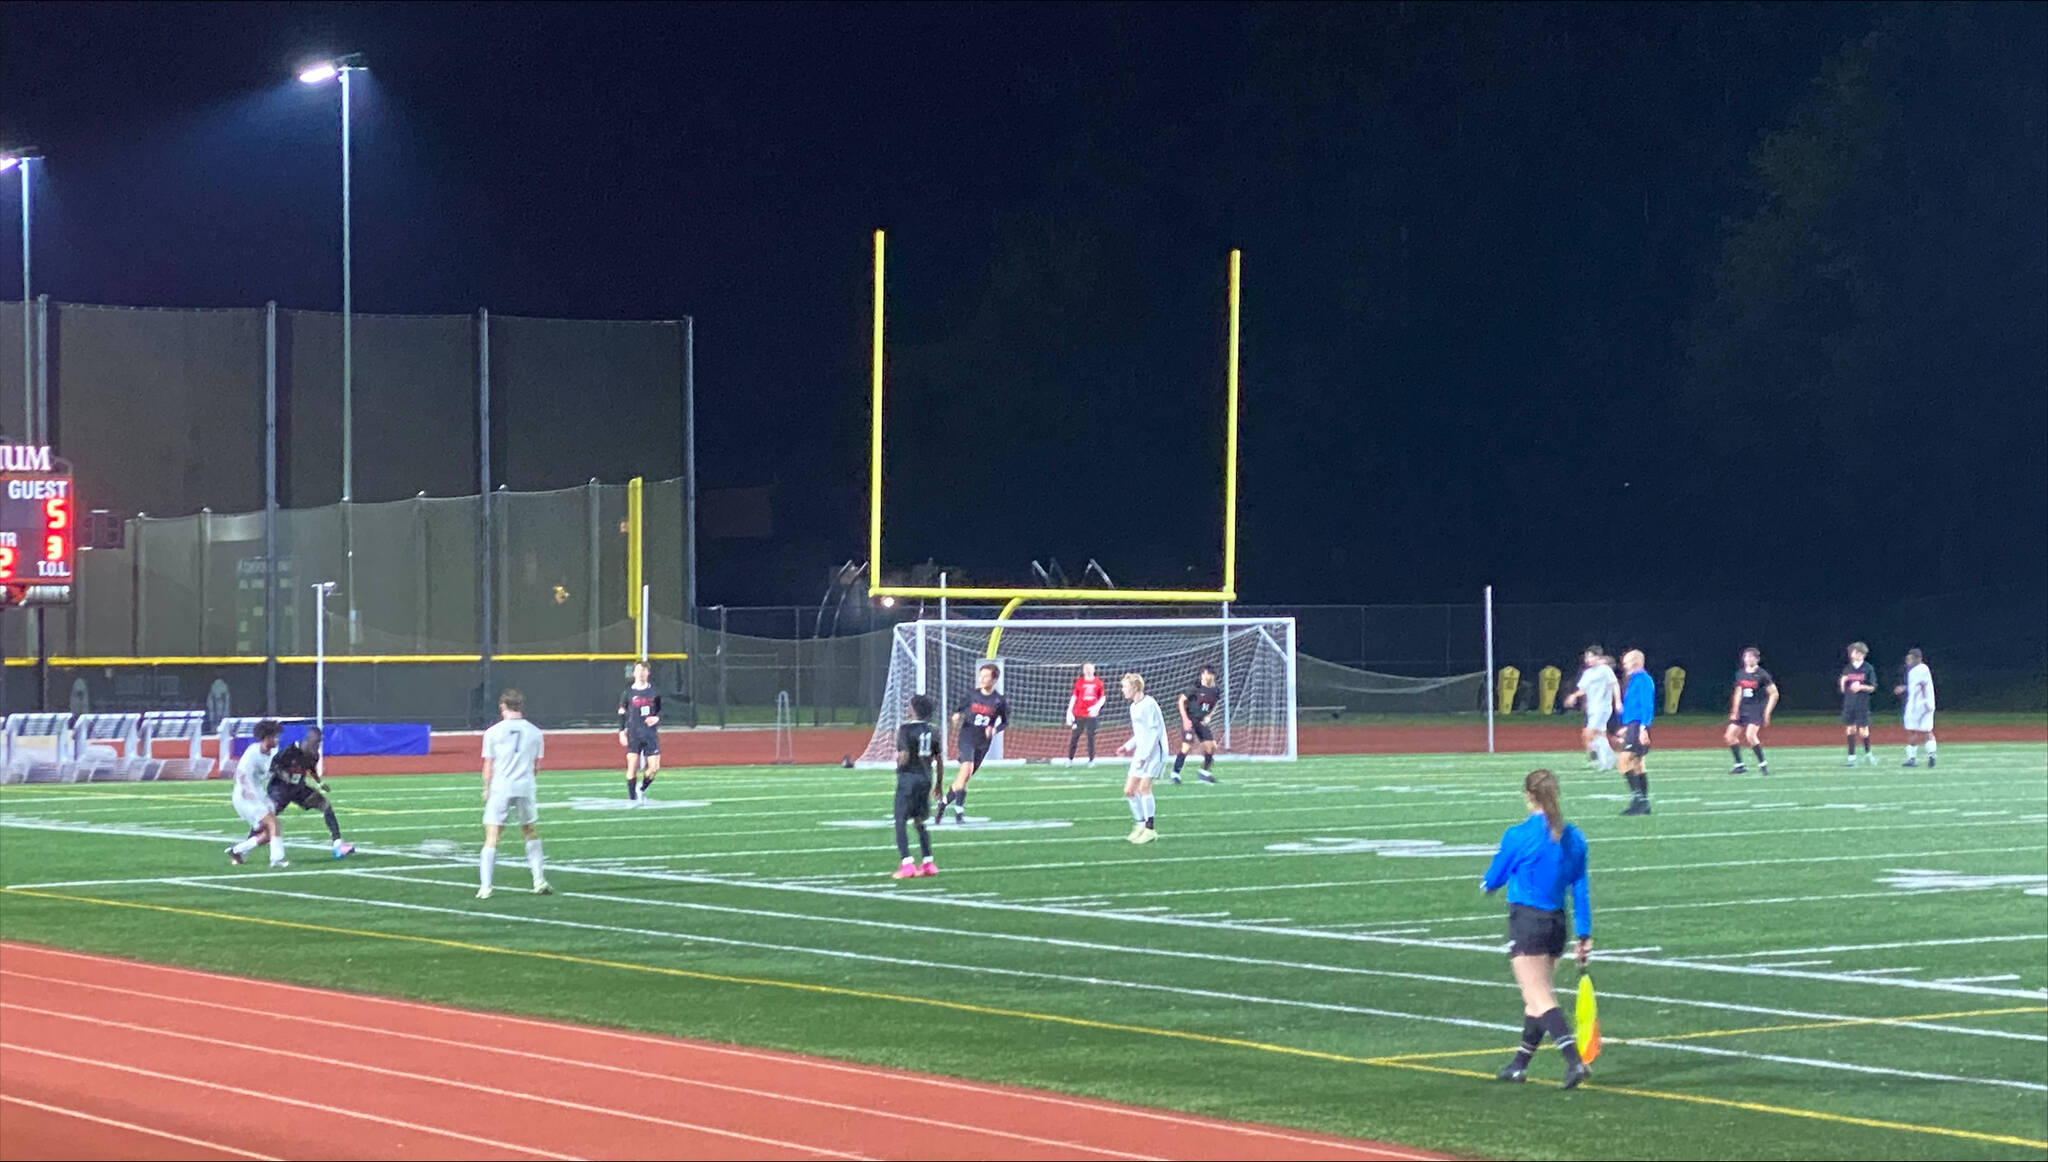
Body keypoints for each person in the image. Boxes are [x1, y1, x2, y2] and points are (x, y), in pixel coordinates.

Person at [1482, 769, 1593, 1089]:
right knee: (1535, 999)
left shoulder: (1519, 835)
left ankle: (1574, 1060)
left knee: (1540, 997)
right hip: (1558, 923)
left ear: (1529, 796)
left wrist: (1487, 883)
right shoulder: (1574, 837)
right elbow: (1581, 889)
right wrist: (1584, 935)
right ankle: (1519, 1063)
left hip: (1527, 922)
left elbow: (1493, 879)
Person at [478, 689, 550, 900]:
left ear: (503, 707)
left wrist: (486, 787)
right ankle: (539, 880)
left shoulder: (492, 732)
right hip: (525, 785)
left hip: (501, 786)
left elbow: (488, 764)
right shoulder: (535, 732)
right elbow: (537, 765)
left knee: (492, 836)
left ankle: (486, 886)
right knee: (529, 830)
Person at [267, 726, 355, 859]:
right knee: (266, 819)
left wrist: (319, 783)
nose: (317, 746)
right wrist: (283, 773)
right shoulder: (290, 751)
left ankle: (338, 845)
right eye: (315, 743)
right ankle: (242, 849)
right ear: (307, 740)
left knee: (325, 805)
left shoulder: (313, 756)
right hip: (281, 790)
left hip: (298, 789)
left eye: (319, 743)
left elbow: (310, 769)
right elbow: (274, 765)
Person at [937, 663, 1007, 825]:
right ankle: (959, 812)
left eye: (986, 676)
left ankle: (943, 803)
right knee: (966, 768)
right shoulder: (971, 695)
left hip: (983, 743)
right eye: (980, 675)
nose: (982, 679)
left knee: (963, 778)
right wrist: (956, 716)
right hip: (967, 737)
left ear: (994, 679)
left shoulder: (999, 700)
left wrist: (994, 730)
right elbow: (958, 710)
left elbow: (1004, 722)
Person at [891, 694, 942, 879]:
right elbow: (939, 759)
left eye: (910, 706)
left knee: (900, 820)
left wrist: (898, 769)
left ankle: (907, 864)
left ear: (915, 710)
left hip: (909, 779)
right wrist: (938, 784)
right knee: (920, 821)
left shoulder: (905, 729)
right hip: (926, 778)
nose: (907, 708)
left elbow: (903, 754)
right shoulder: (933, 730)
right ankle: (928, 862)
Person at [225, 720, 288, 868]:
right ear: (266, 737)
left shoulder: (273, 752)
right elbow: (241, 775)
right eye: (275, 736)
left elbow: (272, 770)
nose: (277, 739)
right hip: (244, 796)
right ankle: (277, 859)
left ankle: (237, 851)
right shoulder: (253, 752)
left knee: (269, 832)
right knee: (273, 823)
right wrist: (250, 794)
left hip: (258, 795)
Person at [1117, 672, 1167, 844]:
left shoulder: (1149, 704)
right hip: (1142, 752)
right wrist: (1127, 746)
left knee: (1144, 788)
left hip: (1155, 752)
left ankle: (1150, 829)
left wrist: (1145, 756)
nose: (1123, 690)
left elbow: (1154, 733)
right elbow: (1140, 734)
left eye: (1125, 686)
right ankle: (1140, 824)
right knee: (1129, 791)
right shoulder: (1134, 707)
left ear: (1134, 687)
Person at [1561, 646, 1620, 771]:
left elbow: (1614, 685)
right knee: (1599, 734)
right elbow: (1583, 689)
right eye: (1587, 657)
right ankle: (1610, 758)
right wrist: (1573, 696)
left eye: (1591, 656)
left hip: (1602, 707)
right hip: (1592, 708)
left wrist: (1618, 701)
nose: (1588, 660)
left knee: (1589, 733)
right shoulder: (1587, 673)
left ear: (1598, 657)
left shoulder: (1605, 670)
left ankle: (1604, 761)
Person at [1724, 647, 1779, 775]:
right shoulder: (1741, 673)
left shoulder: (1762, 675)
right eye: (1746, 657)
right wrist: (1735, 709)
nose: (1748, 659)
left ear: (1757, 659)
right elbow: (1738, 692)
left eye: (1751, 657)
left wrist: (1767, 712)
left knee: (1750, 736)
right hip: (1743, 708)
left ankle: (1763, 765)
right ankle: (1739, 765)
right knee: (1730, 736)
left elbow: (1774, 693)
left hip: (1756, 709)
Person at [618, 661, 663, 803]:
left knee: (654, 768)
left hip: (650, 734)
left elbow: (660, 711)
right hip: (634, 734)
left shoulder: (654, 692)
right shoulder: (628, 693)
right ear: (634, 673)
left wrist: (656, 718)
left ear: (648, 673)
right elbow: (621, 712)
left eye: (644, 670)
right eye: (638, 670)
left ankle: (642, 788)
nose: (641, 673)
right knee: (632, 766)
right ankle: (632, 798)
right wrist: (621, 731)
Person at [1616, 649, 1654, 815]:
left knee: (1623, 762)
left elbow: (1647, 705)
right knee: (1637, 764)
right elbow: (1633, 706)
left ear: (1637, 662)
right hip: (1633, 725)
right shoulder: (1635, 680)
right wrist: (1626, 726)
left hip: (1638, 725)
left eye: (1627, 662)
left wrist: (1643, 728)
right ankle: (1643, 804)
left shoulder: (1643, 680)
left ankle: (1638, 801)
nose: (1624, 666)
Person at [1171, 666, 1222, 784]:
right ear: (1202, 675)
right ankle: (1175, 774)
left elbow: (1216, 704)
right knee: (1186, 747)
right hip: (1190, 719)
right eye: (1205, 674)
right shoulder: (1195, 688)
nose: (1207, 676)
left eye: (1210, 674)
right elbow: (1181, 700)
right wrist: (1185, 719)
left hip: (1201, 721)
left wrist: (1209, 716)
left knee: (1211, 746)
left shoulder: (1215, 690)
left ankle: (1204, 773)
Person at [1895, 648, 1938, 767]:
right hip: (1928, 704)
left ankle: (1912, 758)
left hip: (1917, 705)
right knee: (1926, 731)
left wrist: (1904, 688)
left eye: (1910, 658)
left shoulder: (1915, 670)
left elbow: (1915, 688)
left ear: (1917, 658)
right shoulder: (1924, 669)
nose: (1908, 660)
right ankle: (1932, 755)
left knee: (1912, 731)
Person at [1839, 641, 1879, 767]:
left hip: (1862, 704)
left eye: (1855, 652)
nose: (1852, 654)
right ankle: (1851, 757)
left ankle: (1868, 754)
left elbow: (1873, 688)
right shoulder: (1848, 668)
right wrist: (1843, 681)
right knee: (1850, 729)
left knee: (1863, 730)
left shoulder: (1868, 668)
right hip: (1849, 703)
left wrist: (1861, 686)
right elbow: (1842, 689)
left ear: (1861, 654)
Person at [1066, 661, 1107, 765]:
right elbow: (1074, 696)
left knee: (1091, 737)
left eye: (1090, 668)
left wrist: (1096, 707)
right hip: (1079, 713)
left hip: (1091, 715)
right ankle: (1070, 759)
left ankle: (1091, 760)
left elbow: (1102, 698)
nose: (1088, 671)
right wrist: (1069, 711)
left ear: (1094, 670)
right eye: (1086, 669)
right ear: (1083, 671)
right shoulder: (1079, 682)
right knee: (1075, 736)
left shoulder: (1098, 683)